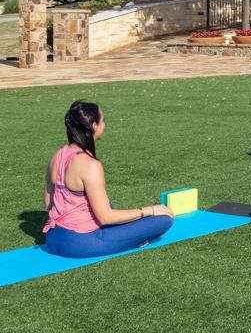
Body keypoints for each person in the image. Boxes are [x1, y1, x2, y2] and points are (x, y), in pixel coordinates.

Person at [43, 101, 174, 258]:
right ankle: (129, 240)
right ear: (93, 126)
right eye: (103, 120)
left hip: (53, 237)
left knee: (107, 204)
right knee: (163, 220)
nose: (104, 124)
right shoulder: (90, 165)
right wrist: (148, 210)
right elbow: (105, 217)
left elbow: (49, 203)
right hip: (79, 243)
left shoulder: (57, 156)